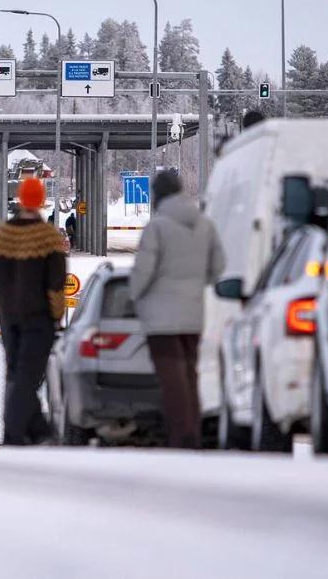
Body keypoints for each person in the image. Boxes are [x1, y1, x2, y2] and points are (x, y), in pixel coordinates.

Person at [130, 171, 225, 449]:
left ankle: (181, 438)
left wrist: (135, 296)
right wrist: (195, 285)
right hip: (193, 316)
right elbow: (218, 267)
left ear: (158, 195)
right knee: (189, 376)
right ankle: (191, 432)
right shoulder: (205, 225)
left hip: (161, 320)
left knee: (171, 380)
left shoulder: (157, 227)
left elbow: (143, 271)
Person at [0, 177, 67, 445]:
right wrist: (56, 316)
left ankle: (38, 430)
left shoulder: (3, 235)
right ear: (41, 201)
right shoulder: (48, 237)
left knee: (14, 373)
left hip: (9, 317)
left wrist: (1, 311)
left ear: (20, 199)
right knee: (28, 376)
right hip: (38, 318)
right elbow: (56, 286)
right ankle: (13, 434)